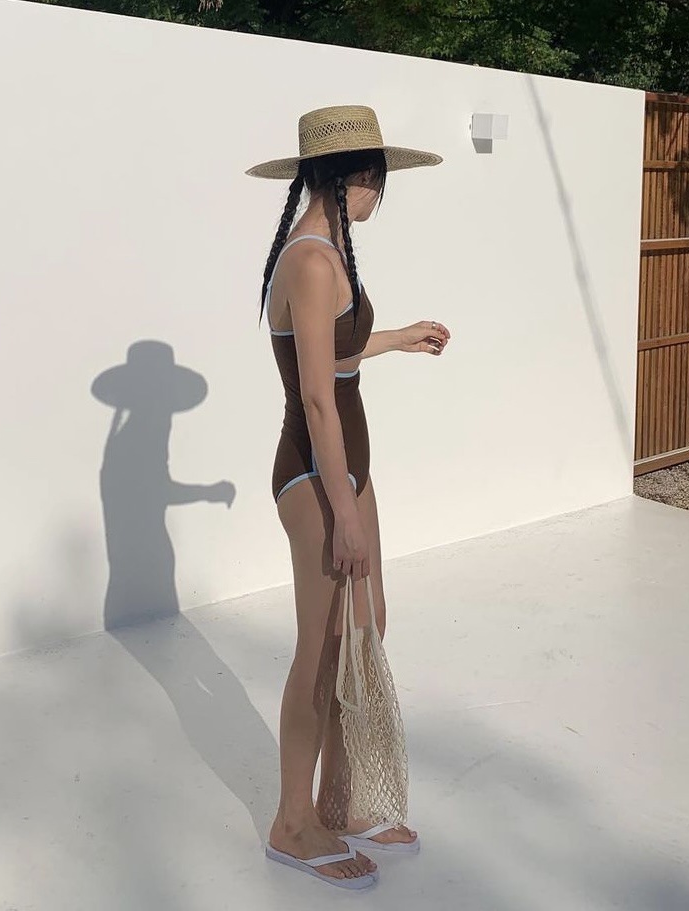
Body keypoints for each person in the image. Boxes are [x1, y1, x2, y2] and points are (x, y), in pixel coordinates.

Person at [246, 105, 450, 889]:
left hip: (345, 469)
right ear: (360, 175)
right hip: (314, 473)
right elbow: (316, 396)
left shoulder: (330, 251)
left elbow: (335, 350)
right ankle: (293, 822)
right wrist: (346, 512)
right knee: (323, 647)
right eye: (378, 181)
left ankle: (336, 800)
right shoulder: (310, 259)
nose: (377, 196)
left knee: (367, 625)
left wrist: (398, 337)